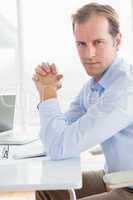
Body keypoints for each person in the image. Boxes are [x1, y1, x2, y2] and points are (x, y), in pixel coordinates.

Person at [32, 2, 133, 200]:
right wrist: (45, 93)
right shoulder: (94, 86)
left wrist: (49, 91)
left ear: (117, 41)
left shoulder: (124, 90)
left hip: (129, 185)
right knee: (48, 188)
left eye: (98, 42)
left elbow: (58, 146)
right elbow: (53, 139)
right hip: (114, 178)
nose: (89, 54)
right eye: (82, 44)